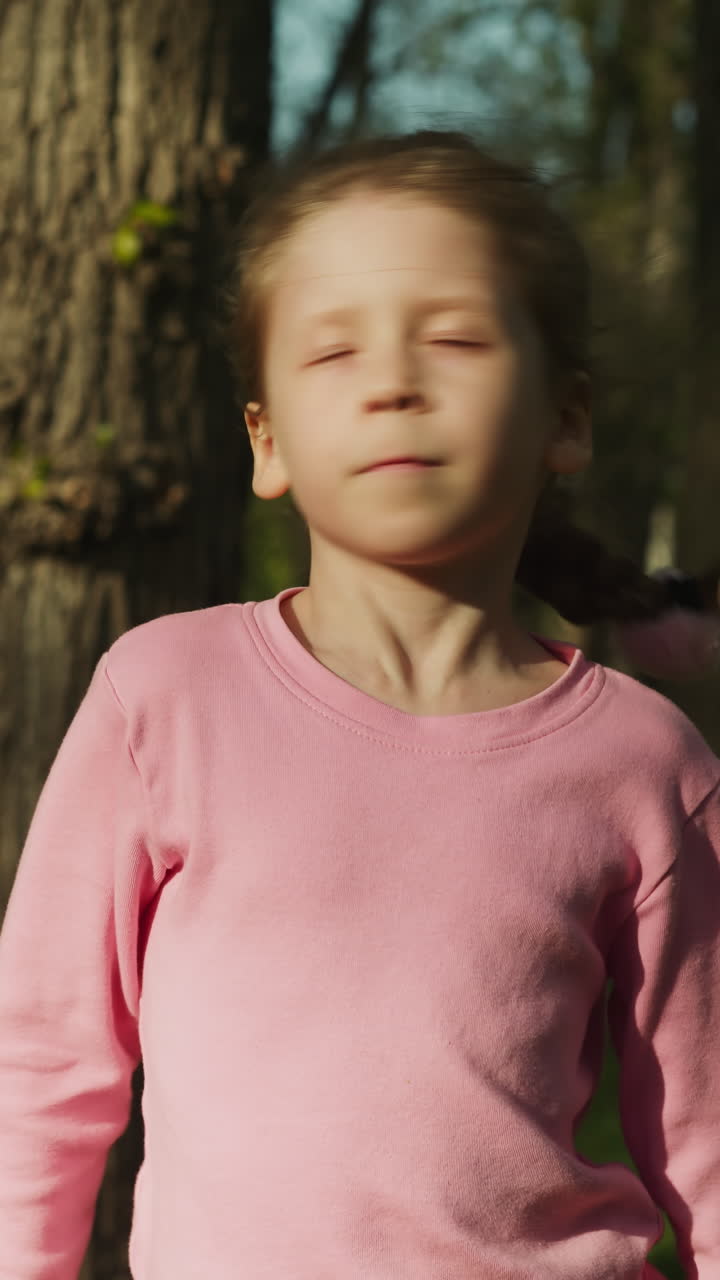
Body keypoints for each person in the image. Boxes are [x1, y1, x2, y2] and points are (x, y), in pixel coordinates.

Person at [0, 130, 719, 1280]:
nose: (393, 380)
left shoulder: (647, 761)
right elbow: (39, 1062)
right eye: (333, 351)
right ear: (268, 438)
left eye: (457, 338)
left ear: (565, 421)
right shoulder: (164, 698)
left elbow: (705, 1130)